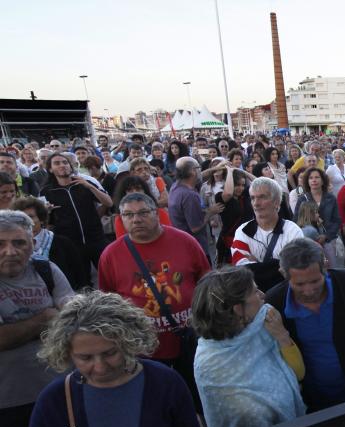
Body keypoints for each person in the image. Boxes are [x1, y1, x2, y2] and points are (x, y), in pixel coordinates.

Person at [20, 291, 207, 427]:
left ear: (128, 342)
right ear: (66, 352)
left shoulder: (165, 381)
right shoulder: (53, 400)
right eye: (85, 358)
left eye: (110, 353)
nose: (99, 367)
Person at [98, 192, 210, 399]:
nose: (136, 219)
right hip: (144, 349)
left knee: (199, 394)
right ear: (120, 218)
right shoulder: (110, 255)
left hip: (191, 342)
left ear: (157, 213)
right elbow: (108, 303)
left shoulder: (185, 241)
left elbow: (207, 283)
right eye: (128, 215)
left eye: (142, 212)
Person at [0, 210, 75, 427]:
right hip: (7, 405)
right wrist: (44, 318)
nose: (10, 251)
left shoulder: (47, 270)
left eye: (19, 243)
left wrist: (17, 329)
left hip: (59, 393)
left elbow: (72, 318)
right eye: (1, 243)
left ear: (33, 243)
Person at [265, 239, 345, 411]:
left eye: (315, 281)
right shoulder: (274, 302)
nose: (308, 290)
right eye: (299, 284)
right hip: (309, 406)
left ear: (326, 266)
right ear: (284, 274)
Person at [191, 267, 305, 427]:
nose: (263, 294)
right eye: (254, 291)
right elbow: (244, 420)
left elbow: (299, 373)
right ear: (237, 309)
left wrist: (282, 336)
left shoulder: (266, 319)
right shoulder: (210, 363)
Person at [39, 152, 112, 286]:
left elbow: (108, 203)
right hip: (71, 244)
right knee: (82, 283)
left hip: (96, 238)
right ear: (50, 169)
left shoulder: (85, 182)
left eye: (65, 162)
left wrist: (89, 186)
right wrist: (47, 213)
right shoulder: (46, 192)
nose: (62, 165)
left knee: (110, 276)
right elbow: (44, 223)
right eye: (57, 163)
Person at [231, 177, 304, 292]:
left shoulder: (292, 231)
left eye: (262, 197)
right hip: (255, 298)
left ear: (276, 201)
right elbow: (242, 271)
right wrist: (278, 264)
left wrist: (256, 264)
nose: (256, 203)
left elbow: (296, 270)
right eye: (253, 198)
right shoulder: (242, 231)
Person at [12, 197, 87, 290]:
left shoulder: (62, 243)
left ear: (42, 219)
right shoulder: (11, 248)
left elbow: (80, 275)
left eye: (30, 217)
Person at [168, 157, 224, 255]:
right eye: (198, 167)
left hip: (184, 245)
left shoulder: (176, 186)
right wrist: (211, 211)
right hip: (195, 248)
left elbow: (200, 175)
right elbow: (196, 227)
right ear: (192, 171)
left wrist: (215, 169)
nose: (200, 170)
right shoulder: (189, 195)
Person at [294, 167, 341, 267]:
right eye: (311, 178)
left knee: (331, 268)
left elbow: (336, 220)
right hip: (309, 242)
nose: (314, 180)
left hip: (328, 241)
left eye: (317, 177)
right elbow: (296, 220)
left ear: (323, 180)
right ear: (307, 181)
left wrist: (326, 236)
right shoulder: (302, 199)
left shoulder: (330, 198)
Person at [214, 165, 254, 265]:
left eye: (243, 185)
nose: (240, 188)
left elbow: (259, 182)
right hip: (230, 241)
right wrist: (230, 172)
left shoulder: (244, 195)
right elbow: (228, 193)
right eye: (237, 185)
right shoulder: (221, 197)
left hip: (248, 238)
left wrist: (242, 171)